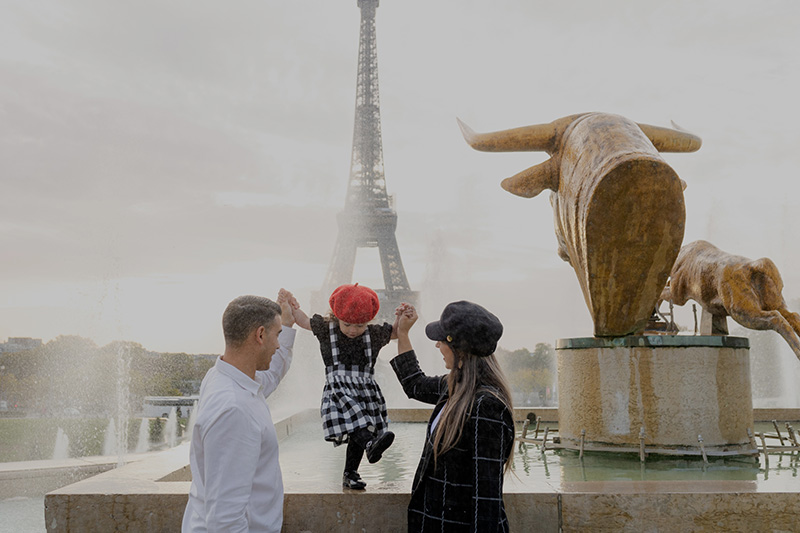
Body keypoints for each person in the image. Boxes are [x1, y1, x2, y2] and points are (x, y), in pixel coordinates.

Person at [391, 301, 515, 532]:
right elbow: (414, 384)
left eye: (441, 339)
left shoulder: (486, 406)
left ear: (458, 348)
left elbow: (486, 498)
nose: (437, 345)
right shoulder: (456, 388)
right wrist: (402, 333)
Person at [182, 290, 297, 533]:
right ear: (260, 334)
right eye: (277, 335)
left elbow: (272, 375)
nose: (278, 344)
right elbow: (225, 521)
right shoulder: (234, 410)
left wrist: (286, 322)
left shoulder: (223, 377)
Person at [289, 283, 397, 490]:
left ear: (369, 321)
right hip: (339, 389)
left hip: (365, 389)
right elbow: (302, 320)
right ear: (336, 316)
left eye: (359, 325)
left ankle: (351, 473)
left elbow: (396, 333)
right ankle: (370, 445)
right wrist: (292, 304)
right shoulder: (326, 328)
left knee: (359, 426)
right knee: (358, 423)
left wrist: (403, 317)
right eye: (347, 324)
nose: (353, 330)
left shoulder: (373, 334)